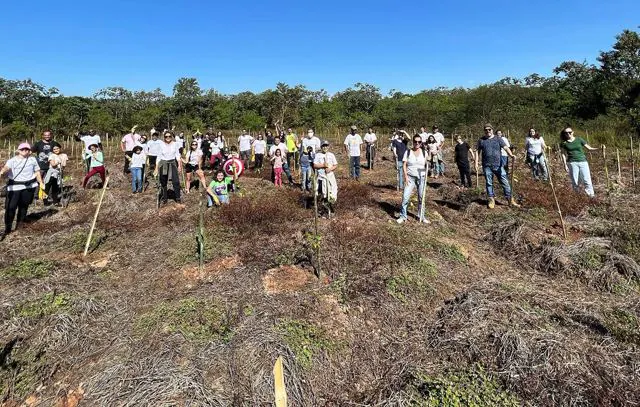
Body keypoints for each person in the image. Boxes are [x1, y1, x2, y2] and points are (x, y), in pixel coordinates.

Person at [0, 143, 45, 240]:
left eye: (27, 149)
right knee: (10, 208)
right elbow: (6, 168)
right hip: (15, 187)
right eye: (23, 149)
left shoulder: (32, 159)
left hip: (29, 186)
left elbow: (37, 171)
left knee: (24, 206)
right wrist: (2, 171)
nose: (25, 150)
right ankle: (8, 228)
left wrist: (40, 182)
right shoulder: (12, 160)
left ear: (29, 150)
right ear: (18, 150)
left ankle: (19, 226)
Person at [477, 124, 519, 208]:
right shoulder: (481, 140)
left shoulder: (498, 139)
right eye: (486, 130)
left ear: (492, 130)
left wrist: (511, 155)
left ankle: (510, 199)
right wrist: (476, 162)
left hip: (498, 165)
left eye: (489, 129)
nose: (488, 131)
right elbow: (477, 151)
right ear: (484, 131)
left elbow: (506, 147)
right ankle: (491, 200)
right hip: (487, 166)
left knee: (505, 182)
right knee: (489, 183)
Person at [397, 135, 430, 224]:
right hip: (410, 177)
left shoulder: (424, 152)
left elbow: (427, 163)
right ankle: (403, 216)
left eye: (419, 142)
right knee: (405, 197)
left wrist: (429, 159)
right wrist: (406, 177)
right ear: (413, 142)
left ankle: (421, 216)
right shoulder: (408, 152)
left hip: (421, 177)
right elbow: (404, 165)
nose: (417, 143)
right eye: (415, 141)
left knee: (421, 197)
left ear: (421, 142)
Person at [560, 127, 597, 197]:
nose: (568, 134)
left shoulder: (579, 139)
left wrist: (599, 149)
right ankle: (577, 196)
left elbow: (589, 148)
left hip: (583, 162)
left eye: (569, 132)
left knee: (587, 180)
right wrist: (564, 165)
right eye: (566, 133)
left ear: (573, 132)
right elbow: (563, 154)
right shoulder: (564, 143)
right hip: (572, 163)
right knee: (575, 181)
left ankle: (591, 196)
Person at [154, 131, 183, 204]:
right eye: (166, 136)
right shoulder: (161, 145)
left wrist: (179, 165)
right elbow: (158, 156)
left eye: (169, 136)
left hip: (172, 163)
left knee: (176, 181)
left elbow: (177, 155)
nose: (168, 138)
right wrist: (156, 168)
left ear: (171, 137)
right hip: (163, 164)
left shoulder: (175, 144)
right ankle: (165, 197)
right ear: (164, 137)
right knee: (163, 182)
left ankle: (178, 198)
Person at [313, 140, 338, 216]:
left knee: (331, 193)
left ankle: (330, 210)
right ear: (321, 147)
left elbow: (335, 165)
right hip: (321, 178)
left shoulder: (331, 155)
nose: (325, 147)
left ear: (328, 147)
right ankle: (322, 211)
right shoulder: (318, 155)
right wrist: (323, 165)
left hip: (330, 177)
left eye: (326, 146)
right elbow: (314, 165)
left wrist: (330, 169)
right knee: (322, 194)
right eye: (323, 146)